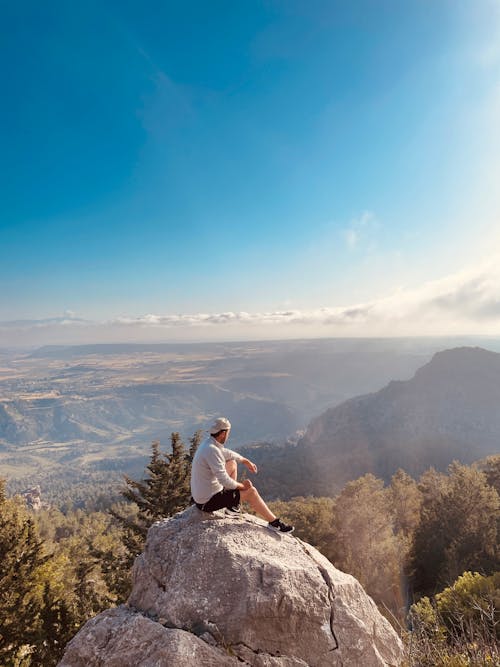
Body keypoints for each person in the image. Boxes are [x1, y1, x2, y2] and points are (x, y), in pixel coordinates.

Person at [191, 417, 294, 533]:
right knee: (251, 492)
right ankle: (275, 523)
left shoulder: (209, 444)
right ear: (224, 433)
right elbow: (224, 480)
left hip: (204, 494)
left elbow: (228, 454)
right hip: (206, 502)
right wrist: (243, 487)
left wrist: (245, 460)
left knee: (232, 463)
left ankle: (231, 507)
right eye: (228, 432)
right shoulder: (212, 451)